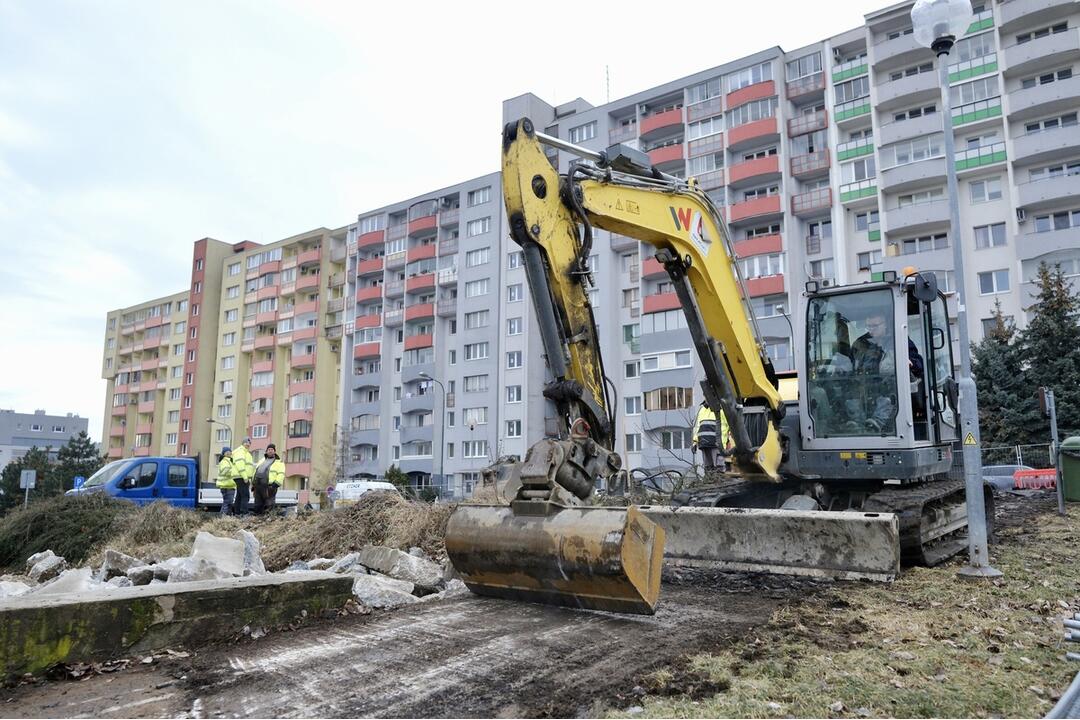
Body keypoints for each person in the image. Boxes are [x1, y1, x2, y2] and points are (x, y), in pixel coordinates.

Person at [692, 403, 731, 472]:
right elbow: (697, 427)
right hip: (704, 443)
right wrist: (695, 442)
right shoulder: (702, 409)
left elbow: (731, 425)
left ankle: (719, 481)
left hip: (718, 444)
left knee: (719, 469)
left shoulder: (723, 408)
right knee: (708, 469)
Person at [252, 443, 286, 514]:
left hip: (269, 487)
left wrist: (275, 484)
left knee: (269, 505)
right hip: (258, 487)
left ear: (274, 451)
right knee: (257, 505)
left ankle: (268, 520)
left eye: (272, 449)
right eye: (269, 449)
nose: (270, 451)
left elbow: (281, 474)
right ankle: (258, 520)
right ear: (266, 451)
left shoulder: (279, 462)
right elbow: (255, 471)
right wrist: (253, 484)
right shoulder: (262, 460)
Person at [231, 437, 255, 515]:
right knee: (245, 495)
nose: (248, 444)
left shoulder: (246, 453)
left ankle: (237, 512)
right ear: (243, 443)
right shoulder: (241, 451)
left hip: (241, 477)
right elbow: (240, 464)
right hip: (241, 477)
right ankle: (244, 513)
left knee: (239, 495)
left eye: (249, 443)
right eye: (246, 443)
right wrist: (245, 477)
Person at [216, 447, 238, 516]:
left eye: (229, 451)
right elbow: (226, 472)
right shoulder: (225, 461)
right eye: (226, 452)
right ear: (223, 454)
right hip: (227, 485)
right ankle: (223, 517)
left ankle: (227, 516)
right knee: (227, 502)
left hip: (229, 485)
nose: (228, 453)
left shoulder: (229, 461)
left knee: (228, 503)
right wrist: (235, 472)